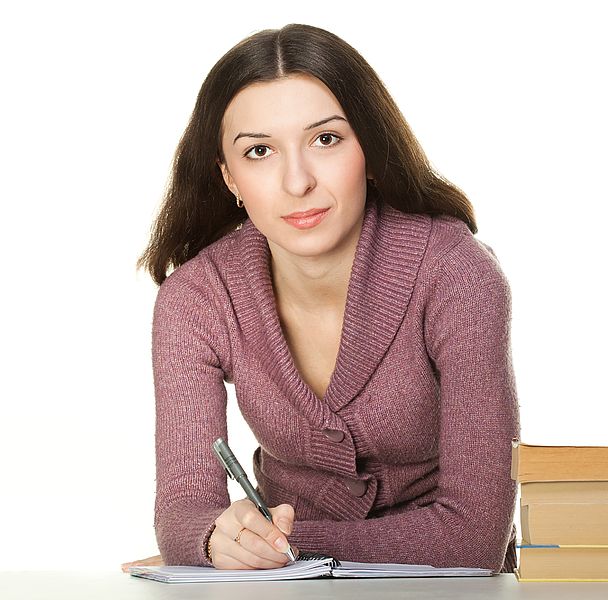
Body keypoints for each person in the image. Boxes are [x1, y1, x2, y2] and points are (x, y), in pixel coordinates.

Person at [127, 23, 520, 573]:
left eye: (326, 139)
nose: (297, 182)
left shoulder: (456, 274)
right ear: (229, 178)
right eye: (259, 151)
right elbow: (183, 512)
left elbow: (473, 537)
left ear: (370, 147)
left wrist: (276, 546)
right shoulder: (197, 297)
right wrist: (215, 538)